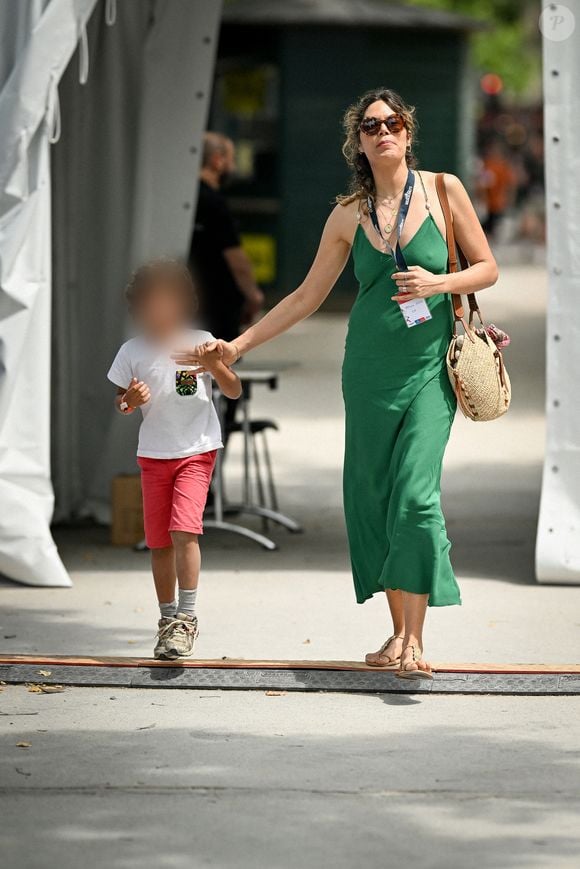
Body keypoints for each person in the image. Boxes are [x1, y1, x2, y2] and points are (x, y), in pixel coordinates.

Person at [176, 87, 499, 679]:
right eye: (371, 125)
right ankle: (397, 631)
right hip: (369, 371)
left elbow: (488, 267)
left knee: (415, 495)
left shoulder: (445, 190)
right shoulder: (348, 213)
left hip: (432, 368)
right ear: (359, 141)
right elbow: (303, 296)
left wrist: (438, 286)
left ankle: (417, 641)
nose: (383, 132)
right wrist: (238, 345)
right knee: (373, 497)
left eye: (393, 122)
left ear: (408, 132)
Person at [107, 258, 241, 660]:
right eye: (151, 304)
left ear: (184, 303)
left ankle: (187, 617)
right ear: (139, 307)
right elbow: (121, 403)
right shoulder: (131, 351)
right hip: (153, 454)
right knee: (159, 541)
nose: (159, 311)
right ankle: (167, 621)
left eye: (168, 302)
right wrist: (129, 401)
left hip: (196, 450)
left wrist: (214, 364)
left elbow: (232, 391)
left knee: (185, 531)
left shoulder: (200, 340)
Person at [188, 131, 264, 342]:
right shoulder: (214, 203)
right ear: (217, 161)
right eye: (231, 160)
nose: (234, 167)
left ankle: (194, 376)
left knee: (187, 360)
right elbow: (236, 258)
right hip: (216, 303)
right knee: (212, 363)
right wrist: (252, 295)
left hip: (189, 299)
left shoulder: (185, 199)